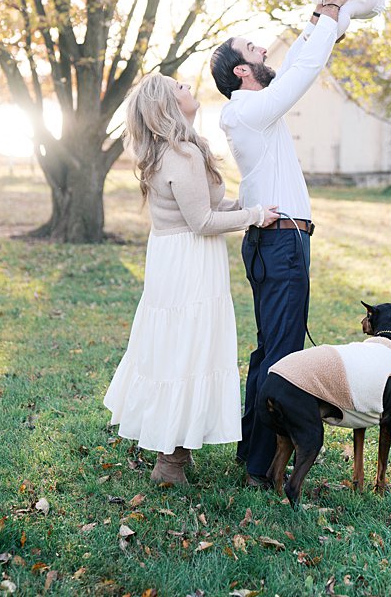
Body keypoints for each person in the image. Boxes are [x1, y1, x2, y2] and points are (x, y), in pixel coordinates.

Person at [209, 0, 360, 486]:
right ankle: (258, 468)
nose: (265, 52)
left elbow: (295, 59)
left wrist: (319, 13)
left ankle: (249, 449)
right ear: (242, 72)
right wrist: (333, 17)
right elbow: (305, 68)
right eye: (255, 49)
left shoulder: (252, 109)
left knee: (267, 350)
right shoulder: (250, 111)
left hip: (272, 243)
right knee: (282, 355)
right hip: (280, 245)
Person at [103, 73, 279, 485]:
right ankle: (171, 463)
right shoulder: (179, 156)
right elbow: (202, 221)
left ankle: (175, 449)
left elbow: (212, 205)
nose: (187, 87)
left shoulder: (180, 149)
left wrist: (254, 203)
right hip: (186, 261)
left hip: (178, 255)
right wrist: (253, 217)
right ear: (167, 104)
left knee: (181, 348)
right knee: (186, 350)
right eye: (178, 86)